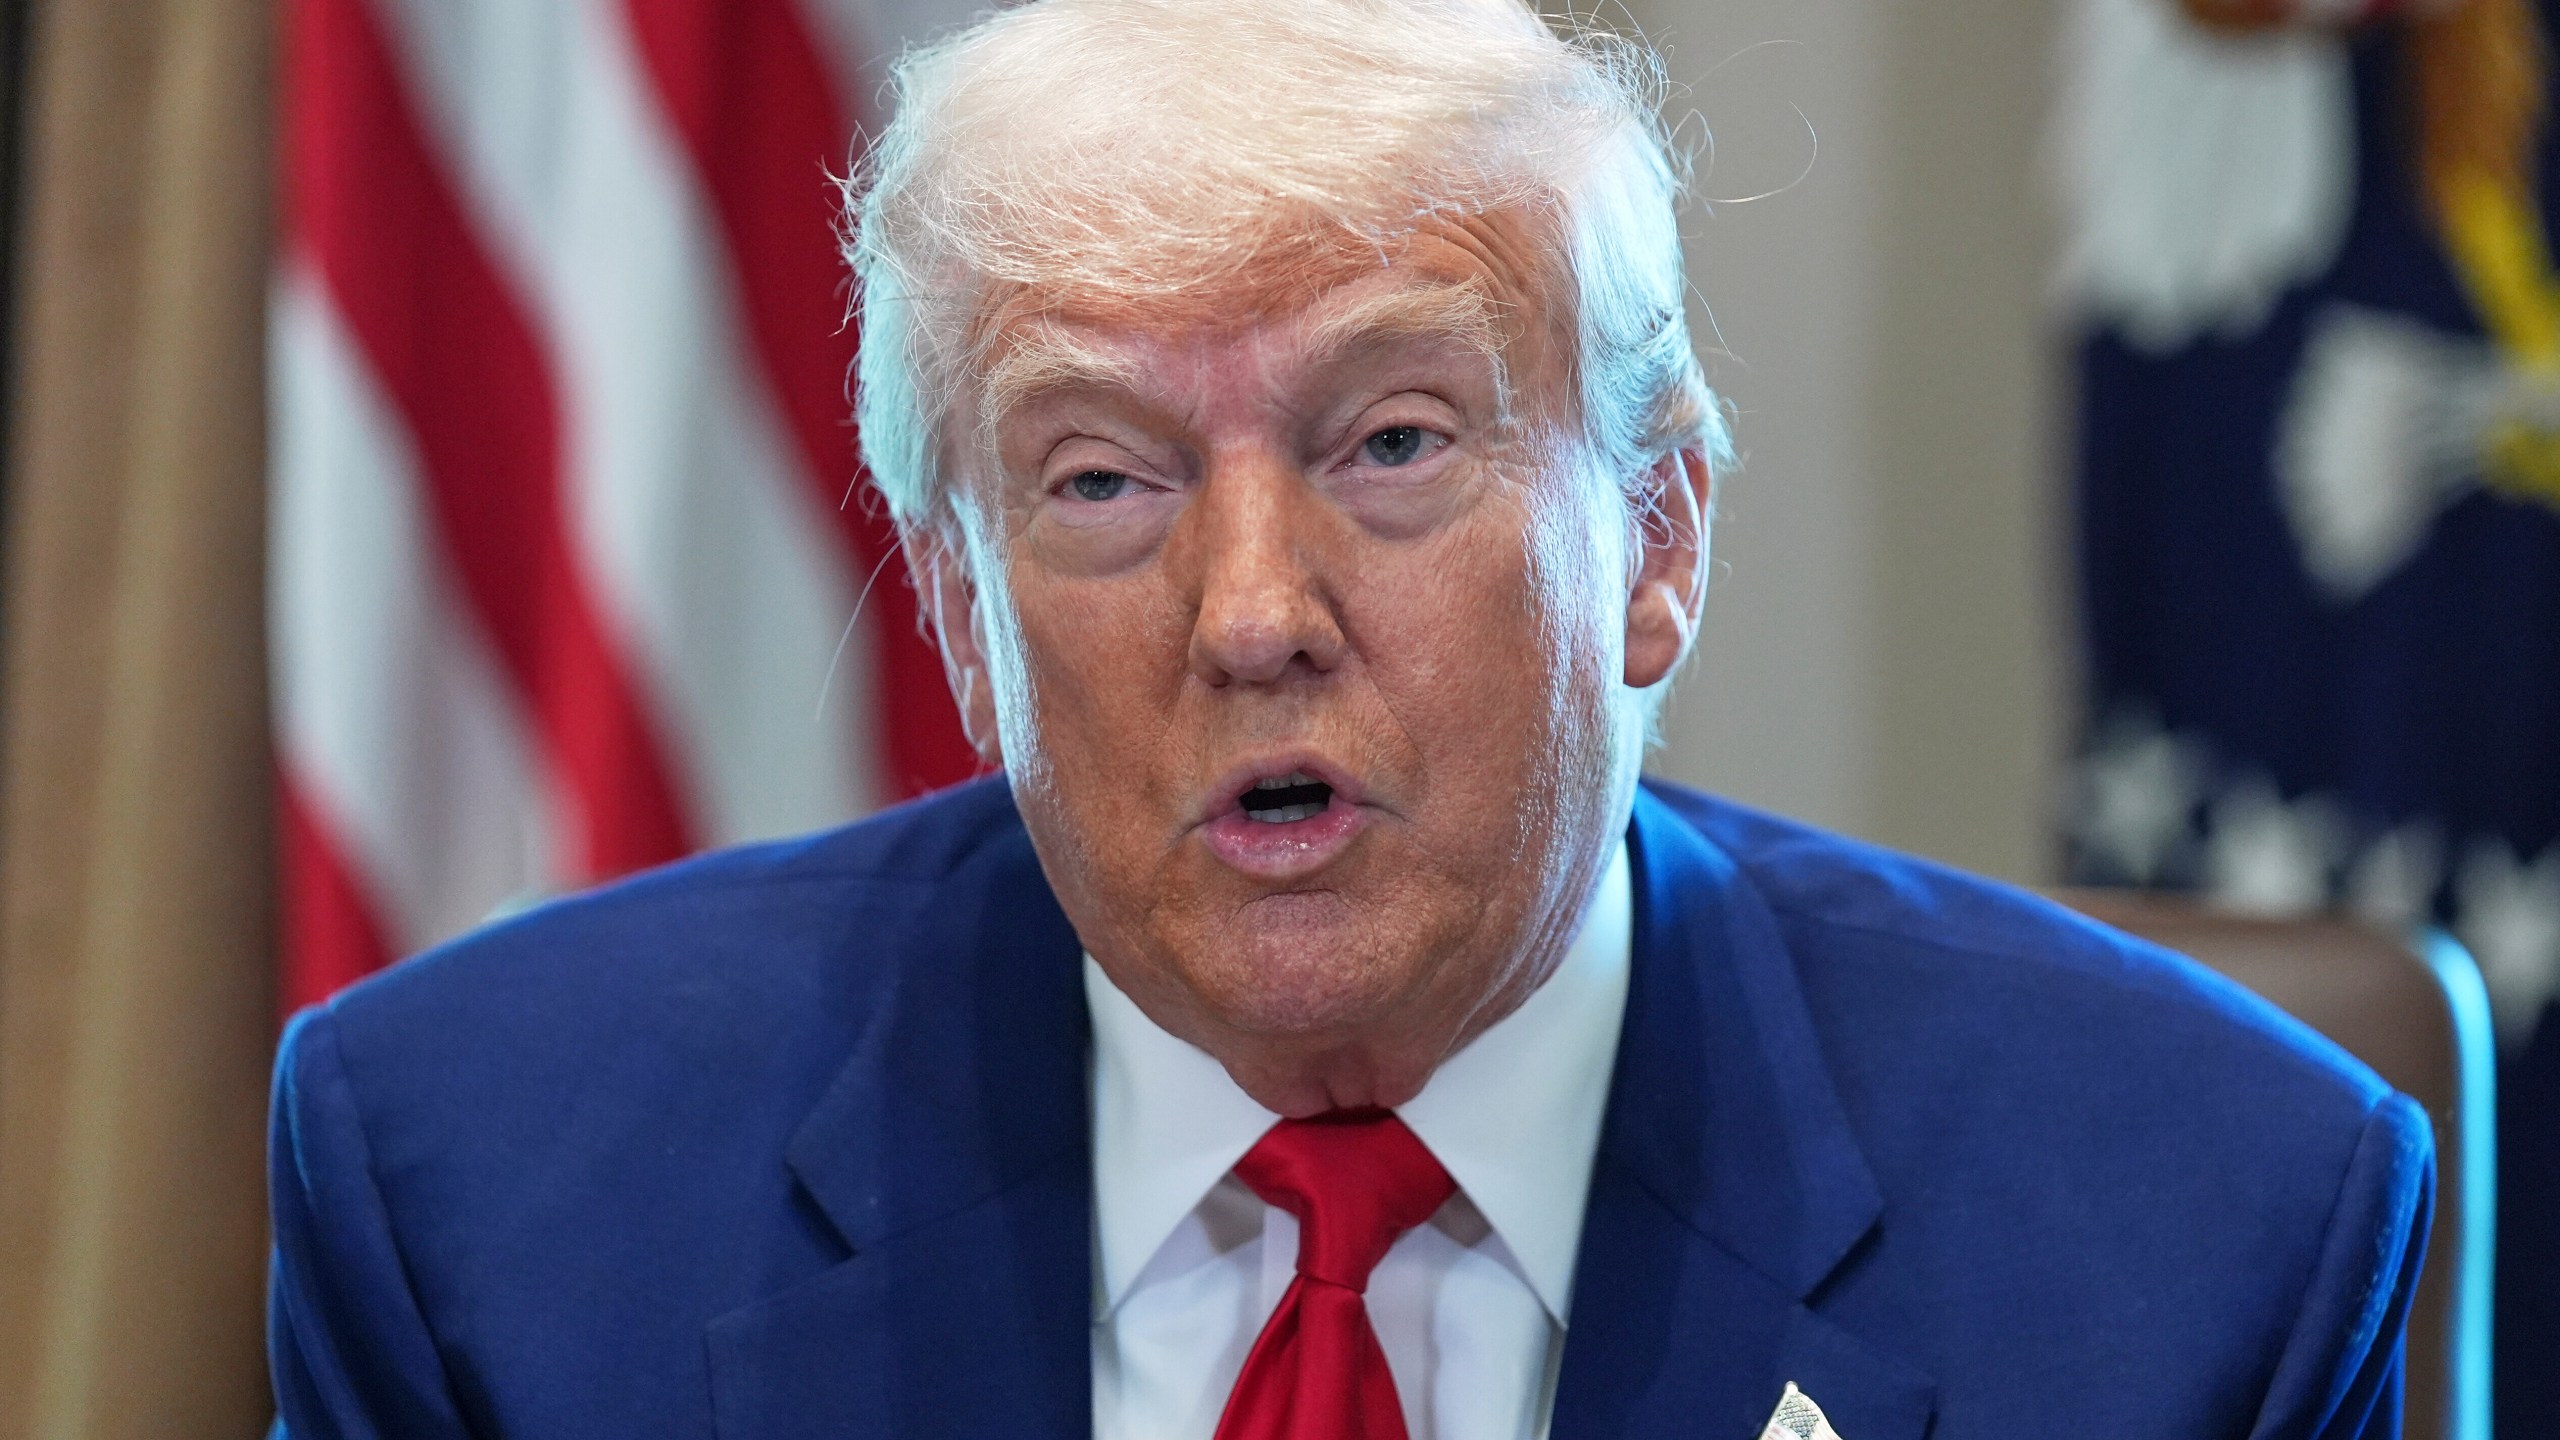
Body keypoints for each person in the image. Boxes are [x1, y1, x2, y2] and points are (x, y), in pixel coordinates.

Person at [264, 1, 2432, 1436]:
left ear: (1656, 532)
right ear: (957, 610)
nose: (1250, 615)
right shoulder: (491, 1209)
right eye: (1099, 479)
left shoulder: (2199, 1233)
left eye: (1391, 442)